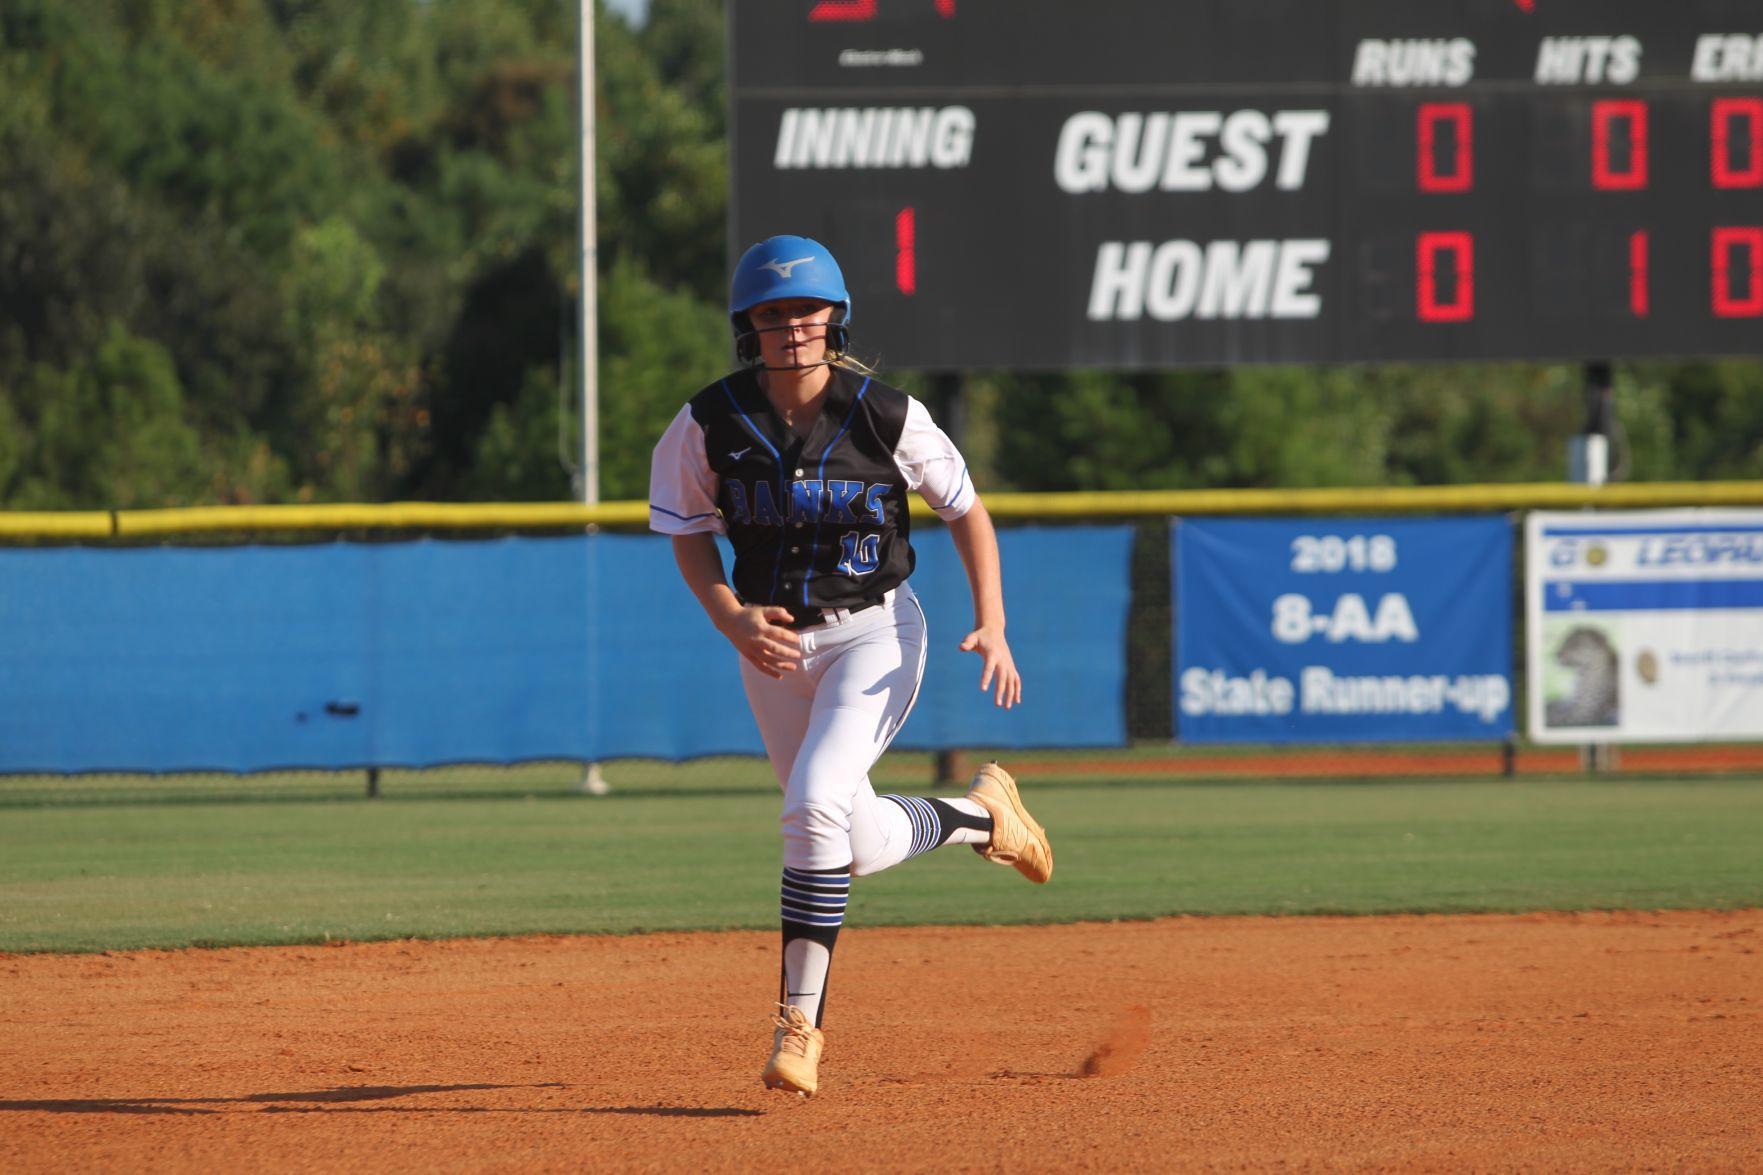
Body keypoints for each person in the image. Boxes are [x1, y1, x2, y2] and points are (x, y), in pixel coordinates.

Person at [647, 234, 1053, 1097]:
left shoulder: (885, 413)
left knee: (810, 808)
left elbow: (966, 512)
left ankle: (799, 1028)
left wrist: (995, 623)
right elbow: (686, 534)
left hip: (875, 633)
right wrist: (728, 616)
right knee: (848, 839)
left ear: (834, 318)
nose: (790, 326)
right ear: (745, 328)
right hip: (771, 645)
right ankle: (982, 817)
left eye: (805, 310)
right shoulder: (708, 421)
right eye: (771, 313)